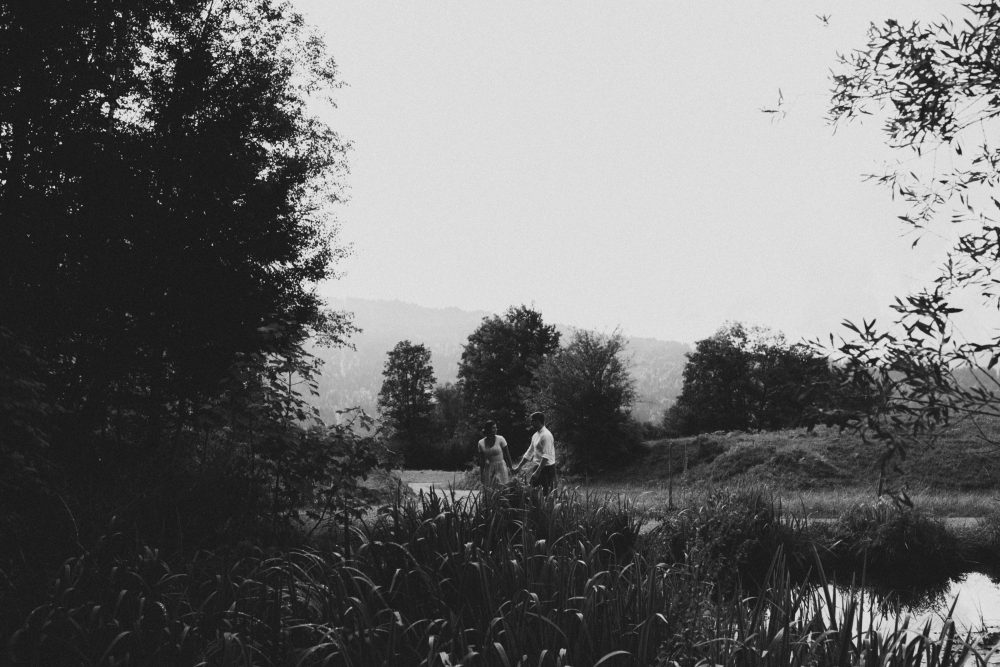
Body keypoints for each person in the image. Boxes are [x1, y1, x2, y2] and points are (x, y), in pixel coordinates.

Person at [513, 411, 557, 494]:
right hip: (537, 466)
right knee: (531, 492)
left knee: (547, 494)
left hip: (547, 469)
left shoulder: (546, 435)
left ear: (537, 421)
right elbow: (529, 452)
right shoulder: (535, 435)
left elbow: (546, 456)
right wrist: (519, 467)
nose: (531, 423)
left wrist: (537, 471)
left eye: (532, 421)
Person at [476, 419, 513, 488]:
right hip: (489, 467)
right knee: (490, 488)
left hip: (501, 466)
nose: (496, 429)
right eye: (493, 428)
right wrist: (481, 474)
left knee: (503, 487)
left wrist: (511, 468)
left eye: (496, 427)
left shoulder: (501, 439)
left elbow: (507, 455)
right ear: (488, 429)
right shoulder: (480, 443)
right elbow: (482, 461)